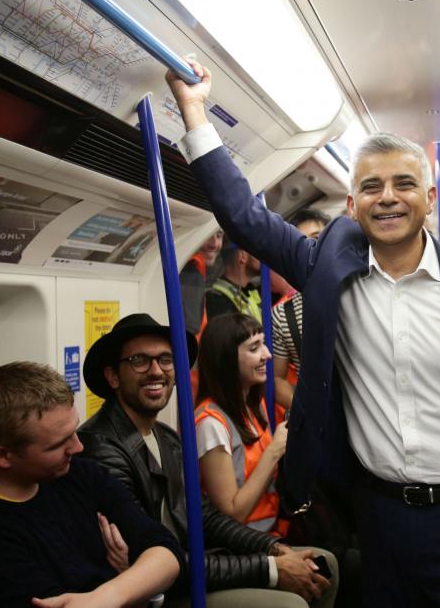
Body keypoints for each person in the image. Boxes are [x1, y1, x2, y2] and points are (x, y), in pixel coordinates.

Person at [167, 59, 440, 607]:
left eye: (404, 184)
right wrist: (194, 111)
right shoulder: (327, 269)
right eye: (371, 187)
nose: (388, 197)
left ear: (429, 197)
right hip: (379, 519)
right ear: (352, 206)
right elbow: (242, 217)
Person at [78, 313, 337, 608]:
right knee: (290, 604)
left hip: (193, 560)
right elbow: (147, 557)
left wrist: (273, 549)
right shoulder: (101, 449)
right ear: (113, 376)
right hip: (161, 587)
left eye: (165, 359)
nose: (155, 371)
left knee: (323, 565)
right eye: (139, 360)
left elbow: (206, 516)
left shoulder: (166, 438)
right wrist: (269, 568)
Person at [0, 362, 183, 606]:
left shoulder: (78, 473)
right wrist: (134, 578)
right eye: (58, 444)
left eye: (74, 431)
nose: (78, 447)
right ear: (3, 456)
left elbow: (167, 550)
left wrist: (109, 595)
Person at [195, 312, 287, 532]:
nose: (267, 354)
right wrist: (274, 450)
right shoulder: (211, 423)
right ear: (226, 359)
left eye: (263, 344)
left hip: (273, 530)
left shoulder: (253, 405)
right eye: (254, 348)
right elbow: (233, 513)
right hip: (246, 546)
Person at [272, 208, 332, 410]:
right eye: (301, 243)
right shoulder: (282, 315)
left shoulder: (360, 291)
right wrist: (310, 411)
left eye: (317, 239)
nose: (311, 249)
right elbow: (277, 380)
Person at [180, 228, 223, 338]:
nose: (214, 244)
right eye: (207, 235)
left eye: (219, 235)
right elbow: (189, 331)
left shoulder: (199, 270)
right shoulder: (190, 273)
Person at [207, 241, 263, 323]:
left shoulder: (248, 290)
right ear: (242, 255)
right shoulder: (218, 299)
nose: (264, 257)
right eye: (257, 251)